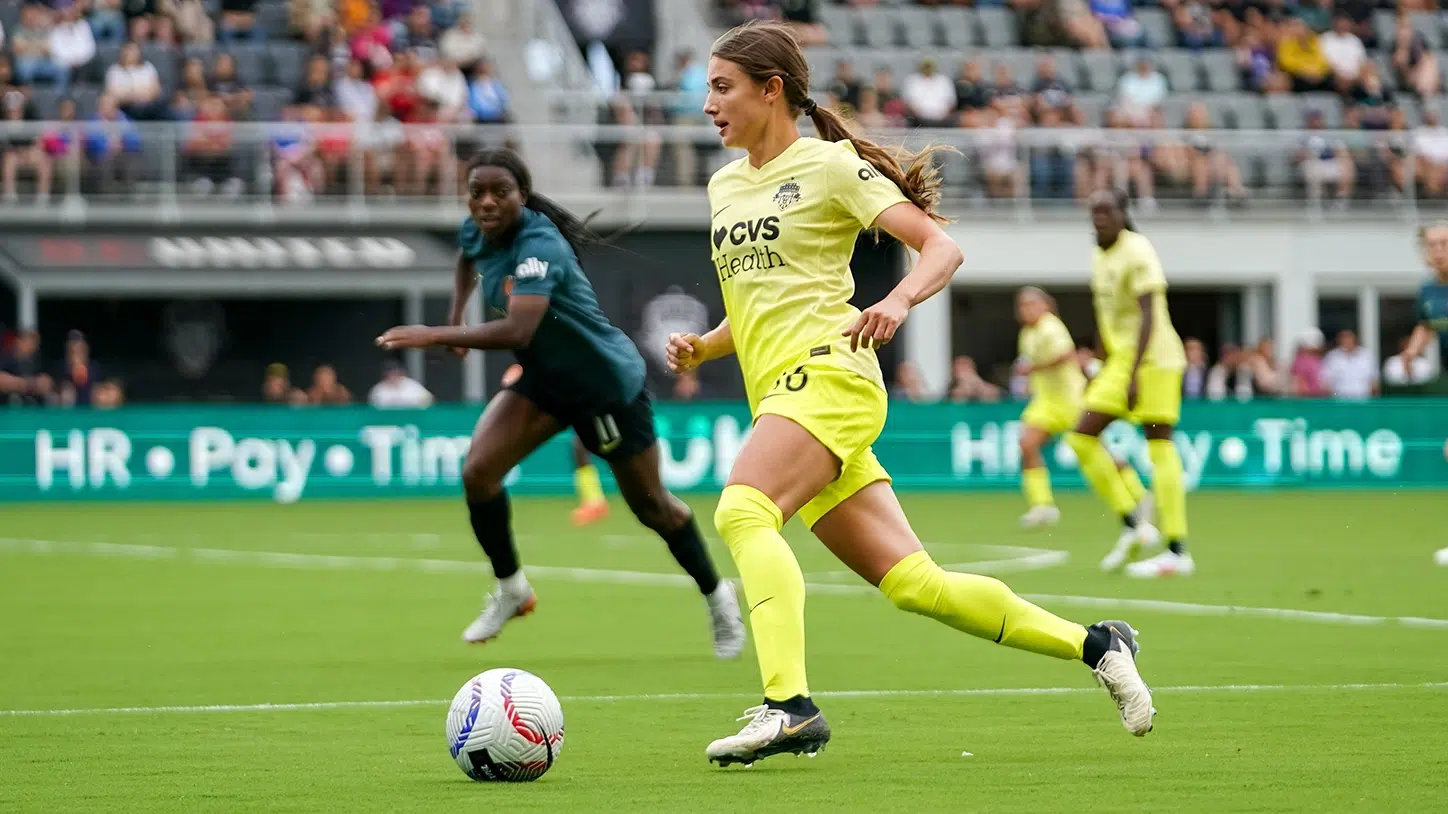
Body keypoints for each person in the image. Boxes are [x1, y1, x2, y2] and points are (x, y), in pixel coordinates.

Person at [669, 22, 1156, 768]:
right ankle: (1098, 645)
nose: (709, 104)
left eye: (722, 87)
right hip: (785, 397)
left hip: (831, 377)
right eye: (709, 88)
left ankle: (788, 707)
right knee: (915, 584)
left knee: (742, 509)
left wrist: (897, 301)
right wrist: (705, 345)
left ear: (773, 91)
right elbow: (757, 300)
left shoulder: (829, 168)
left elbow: (942, 247)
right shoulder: (725, 185)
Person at [376, 147, 745, 658]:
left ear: (522, 197)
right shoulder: (475, 230)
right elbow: (467, 258)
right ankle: (512, 589)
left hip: (604, 386)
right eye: (476, 192)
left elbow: (518, 327)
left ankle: (716, 593)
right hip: (545, 378)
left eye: (499, 192)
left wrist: (437, 333)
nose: (485, 202)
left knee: (652, 507)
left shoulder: (539, 244)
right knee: (478, 473)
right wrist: (458, 312)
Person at [1065, 189, 1192, 579]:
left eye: (1107, 210)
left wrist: (1135, 372)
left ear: (1123, 213)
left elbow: (1149, 313)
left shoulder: (1137, 250)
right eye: (1094, 210)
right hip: (1121, 362)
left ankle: (1176, 550)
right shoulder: (1099, 254)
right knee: (1080, 438)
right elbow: (1108, 315)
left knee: (1160, 447)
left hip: (1154, 360)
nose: (1099, 217)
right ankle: (1135, 520)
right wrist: (1105, 360)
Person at [1014, 286, 1151, 530]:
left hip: (1071, 399)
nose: (1026, 310)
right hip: (1046, 401)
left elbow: (1065, 354)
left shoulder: (1050, 326)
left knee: (1099, 451)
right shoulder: (1027, 333)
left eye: (1031, 304)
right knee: (1027, 444)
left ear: (1045, 306)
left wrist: (1035, 370)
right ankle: (1042, 504)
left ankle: (1138, 494)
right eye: (1023, 306)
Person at [500, 362, 609, 526]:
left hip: (609, 400)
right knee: (580, 445)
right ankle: (594, 502)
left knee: (615, 449)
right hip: (597, 400)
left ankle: (598, 501)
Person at [1399, 221, 1448, 567]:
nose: (1439, 250)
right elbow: (1426, 325)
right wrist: (1411, 352)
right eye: (1433, 244)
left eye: (1445, 243)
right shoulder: (1429, 292)